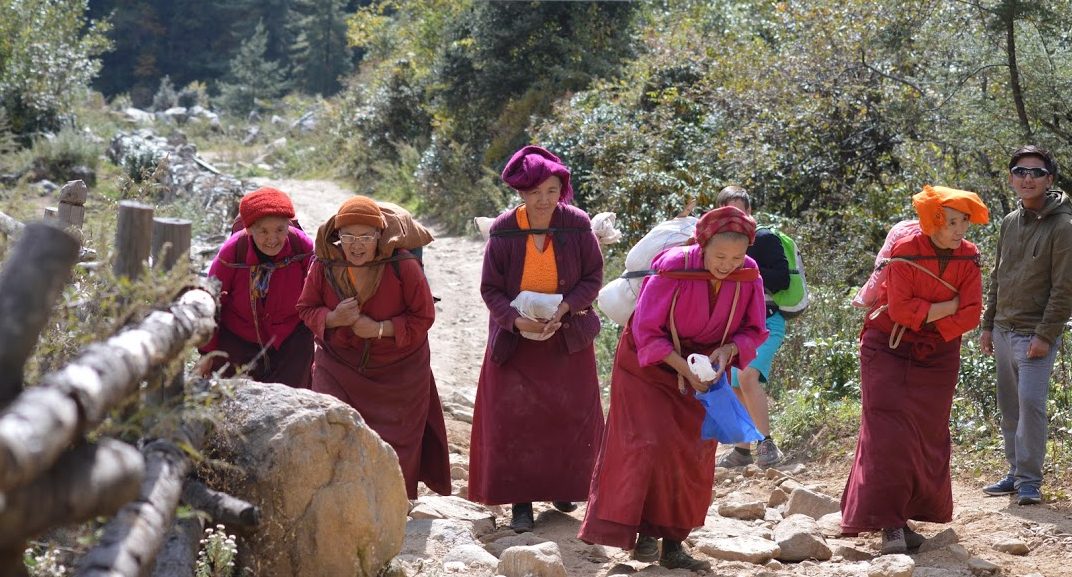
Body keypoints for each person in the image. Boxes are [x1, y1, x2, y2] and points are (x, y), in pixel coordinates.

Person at [579, 206, 769, 570]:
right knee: (649, 443)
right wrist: (683, 367)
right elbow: (645, 331)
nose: (727, 264)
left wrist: (728, 351)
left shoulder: (749, 277)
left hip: (706, 371)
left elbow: (753, 329)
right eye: (719, 256)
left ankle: (674, 542)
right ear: (702, 244)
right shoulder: (672, 269)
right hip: (647, 367)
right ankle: (643, 532)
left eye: (736, 256)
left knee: (692, 454)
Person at [840, 185, 989, 554]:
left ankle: (907, 515)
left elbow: (971, 313)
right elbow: (901, 311)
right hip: (887, 346)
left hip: (938, 355)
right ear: (931, 222)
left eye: (964, 221)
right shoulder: (906, 250)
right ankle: (889, 524)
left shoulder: (969, 257)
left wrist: (933, 315)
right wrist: (947, 306)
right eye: (951, 222)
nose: (960, 230)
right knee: (887, 434)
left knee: (926, 434)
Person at [468, 145, 605, 533]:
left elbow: (593, 277)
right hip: (517, 339)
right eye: (534, 193)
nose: (543, 200)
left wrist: (564, 309)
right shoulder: (505, 229)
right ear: (520, 195)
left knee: (569, 414)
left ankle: (564, 488)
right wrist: (516, 322)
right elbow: (491, 288)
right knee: (516, 419)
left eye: (551, 191)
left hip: (567, 334)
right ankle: (521, 503)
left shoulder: (577, 224)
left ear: (561, 189)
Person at [295, 196, 450, 499]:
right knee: (331, 419)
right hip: (339, 362)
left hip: (399, 367)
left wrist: (379, 329)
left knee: (396, 443)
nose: (356, 245)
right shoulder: (324, 264)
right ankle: (338, 497)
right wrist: (333, 318)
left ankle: (390, 506)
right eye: (348, 237)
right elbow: (305, 308)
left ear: (379, 236)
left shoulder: (402, 265)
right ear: (337, 238)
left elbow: (423, 317)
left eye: (365, 237)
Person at [980, 145, 1072, 506]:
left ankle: (1031, 482)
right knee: (1010, 406)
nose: (1027, 178)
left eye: (1036, 172)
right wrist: (988, 324)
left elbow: (1065, 286)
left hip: (1035, 333)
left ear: (1050, 179)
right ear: (1011, 178)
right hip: (1003, 329)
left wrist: (1045, 335)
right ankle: (1015, 472)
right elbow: (997, 277)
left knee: (1031, 404)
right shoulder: (1009, 221)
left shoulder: (1063, 226)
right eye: (1020, 171)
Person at [198, 186, 315, 387]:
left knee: (292, 399)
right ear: (249, 229)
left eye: (280, 229)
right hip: (239, 336)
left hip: (290, 336)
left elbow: (317, 291)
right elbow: (213, 300)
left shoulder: (302, 247)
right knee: (232, 400)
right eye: (263, 231)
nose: (272, 239)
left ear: (289, 225)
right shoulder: (233, 252)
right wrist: (207, 352)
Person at [714, 186, 790, 468]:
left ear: (751, 214)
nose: (738, 220)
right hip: (736, 326)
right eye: (730, 213)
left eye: (742, 212)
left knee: (747, 377)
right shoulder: (715, 247)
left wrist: (742, 268)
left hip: (768, 321)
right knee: (735, 385)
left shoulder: (765, 240)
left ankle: (767, 443)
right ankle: (742, 450)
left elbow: (782, 279)